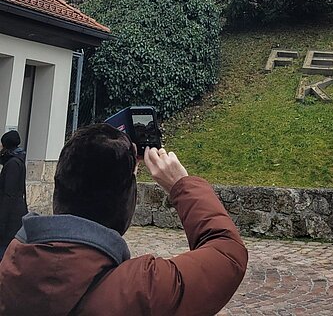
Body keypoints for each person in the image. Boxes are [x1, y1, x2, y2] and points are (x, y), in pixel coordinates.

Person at [0, 124, 247, 315]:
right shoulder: (141, 288)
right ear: (125, 201)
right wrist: (180, 185)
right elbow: (227, 254)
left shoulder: (9, 271)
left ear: (59, 186)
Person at [0, 131, 27, 262]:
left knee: (4, 253)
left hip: (10, 219)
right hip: (14, 215)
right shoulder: (18, 160)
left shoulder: (12, 164)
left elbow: (8, 195)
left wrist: (2, 221)